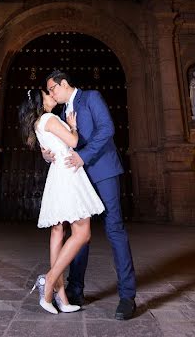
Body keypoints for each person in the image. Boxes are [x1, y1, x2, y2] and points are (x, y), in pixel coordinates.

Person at [43, 70, 137, 320]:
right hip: (78, 179)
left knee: (114, 229)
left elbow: (106, 129)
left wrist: (84, 157)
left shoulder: (91, 98)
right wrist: (47, 154)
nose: (51, 94)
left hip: (103, 172)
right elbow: (64, 142)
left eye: (52, 88)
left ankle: (127, 296)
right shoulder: (62, 114)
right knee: (79, 234)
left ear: (64, 84)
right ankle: (75, 291)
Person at [18, 88, 104, 315]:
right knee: (82, 233)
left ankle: (61, 297)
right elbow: (74, 142)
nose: (53, 96)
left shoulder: (38, 122)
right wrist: (73, 126)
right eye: (48, 94)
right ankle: (48, 281)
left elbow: (50, 149)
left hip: (58, 173)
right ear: (41, 100)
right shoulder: (49, 118)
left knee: (58, 230)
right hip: (68, 174)